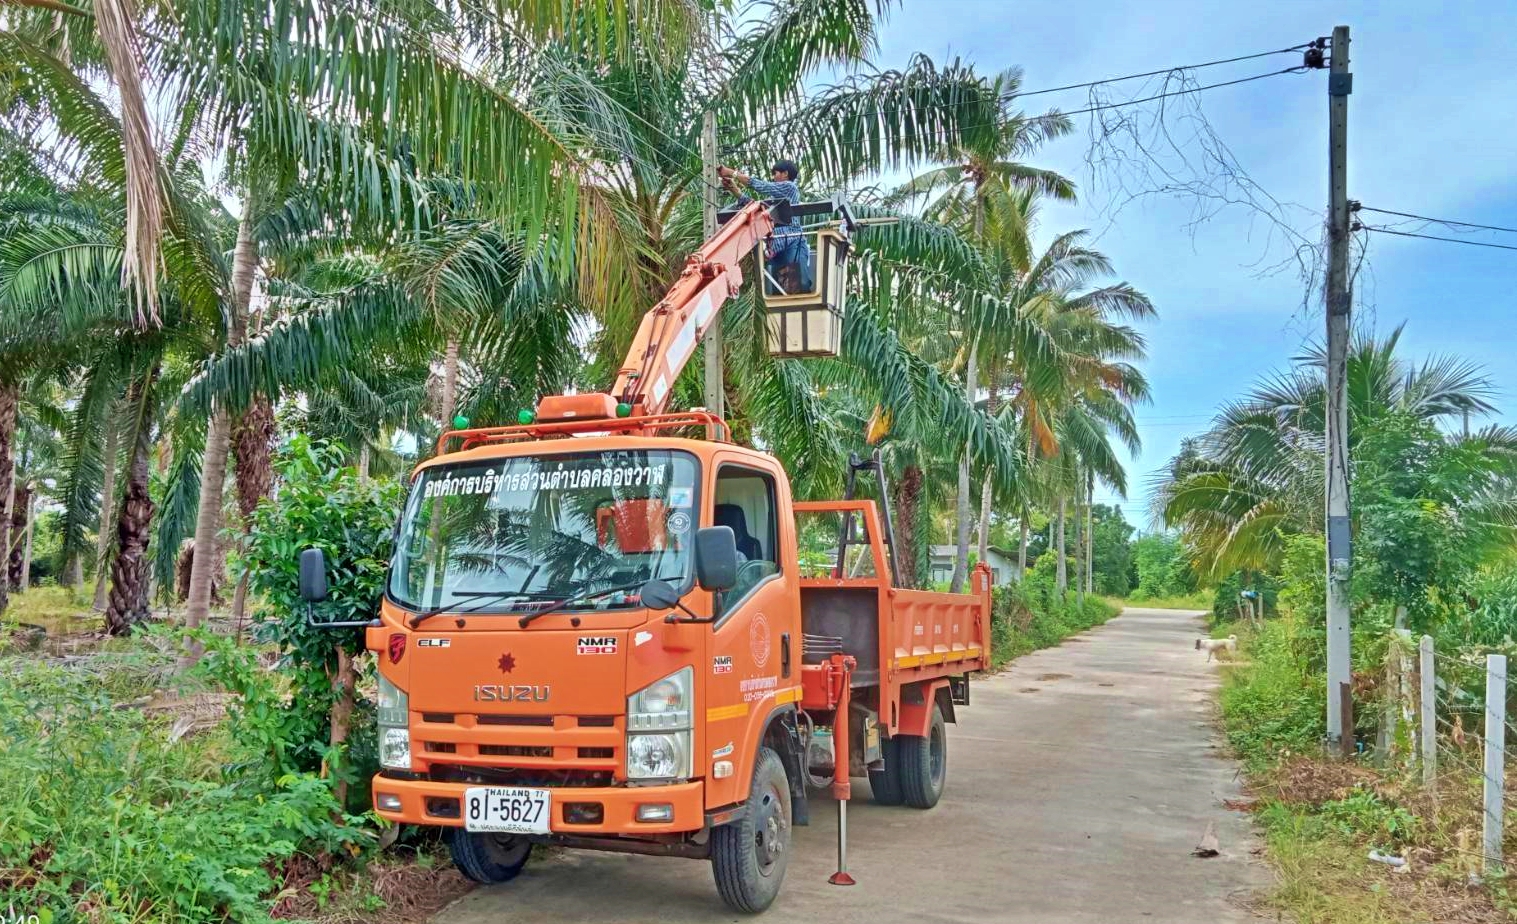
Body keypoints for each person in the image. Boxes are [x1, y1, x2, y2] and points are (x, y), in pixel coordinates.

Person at [718, 160, 814, 295]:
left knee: (796, 287)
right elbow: (755, 207)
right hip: (777, 248)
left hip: (792, 243)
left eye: (775, 173)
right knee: (781, 292)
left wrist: (732, 173)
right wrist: (736, 191)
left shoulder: (790, 188)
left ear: (785, 174)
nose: (773, 178)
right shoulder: (774, 199)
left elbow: (762, 186)